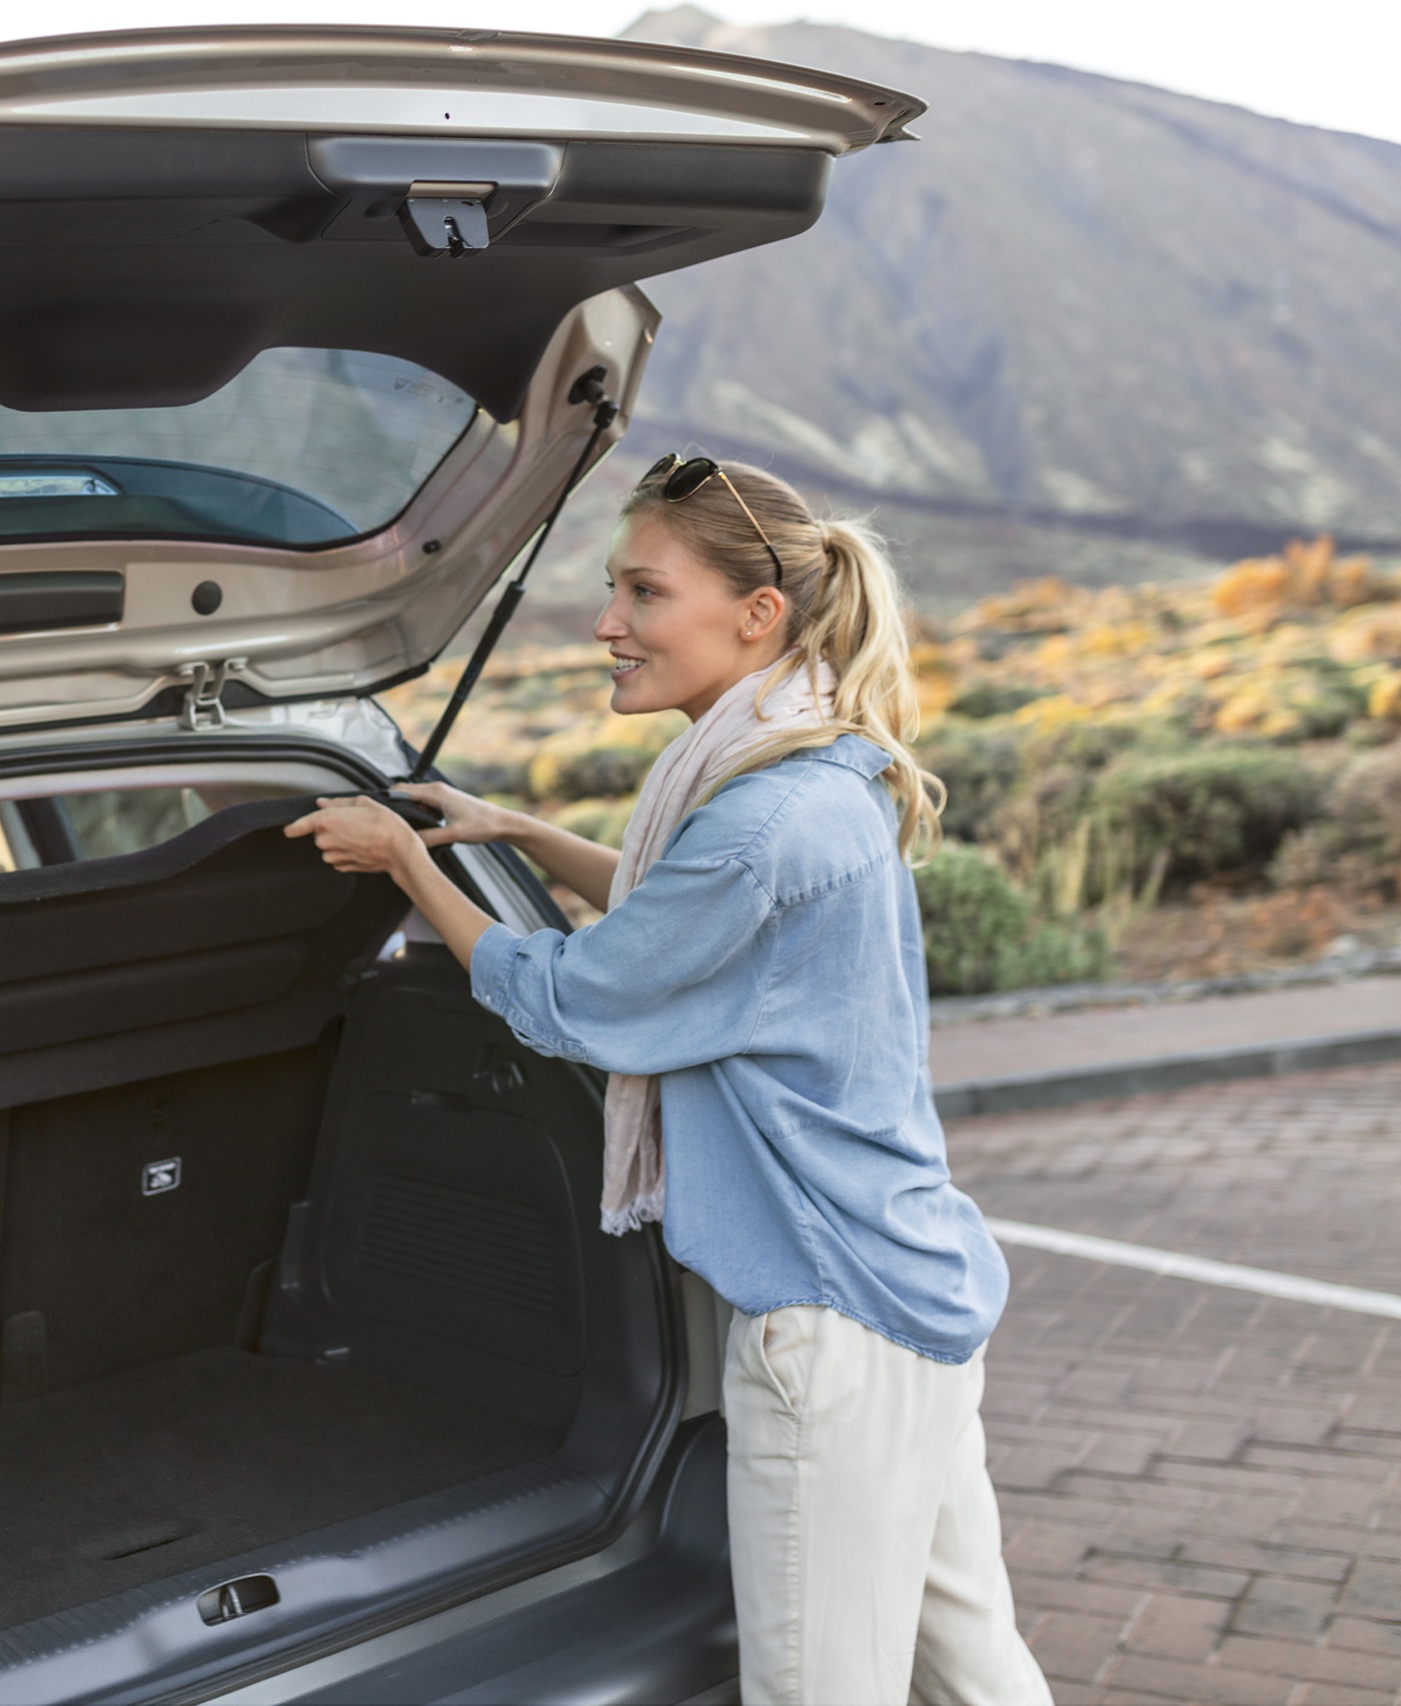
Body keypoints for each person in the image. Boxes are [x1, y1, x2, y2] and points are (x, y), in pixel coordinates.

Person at [288, 455, 1052, 1705]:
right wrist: (516, 831)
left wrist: (407, 866)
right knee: (971, 1671)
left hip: (828, 1327)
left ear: (757, 613)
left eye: (644, 590)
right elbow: (682, 920)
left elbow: (578, 999)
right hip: (908, 1289)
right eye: (614, 588)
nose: (608, 621)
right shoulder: (812, 769)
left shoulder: (758, 818)